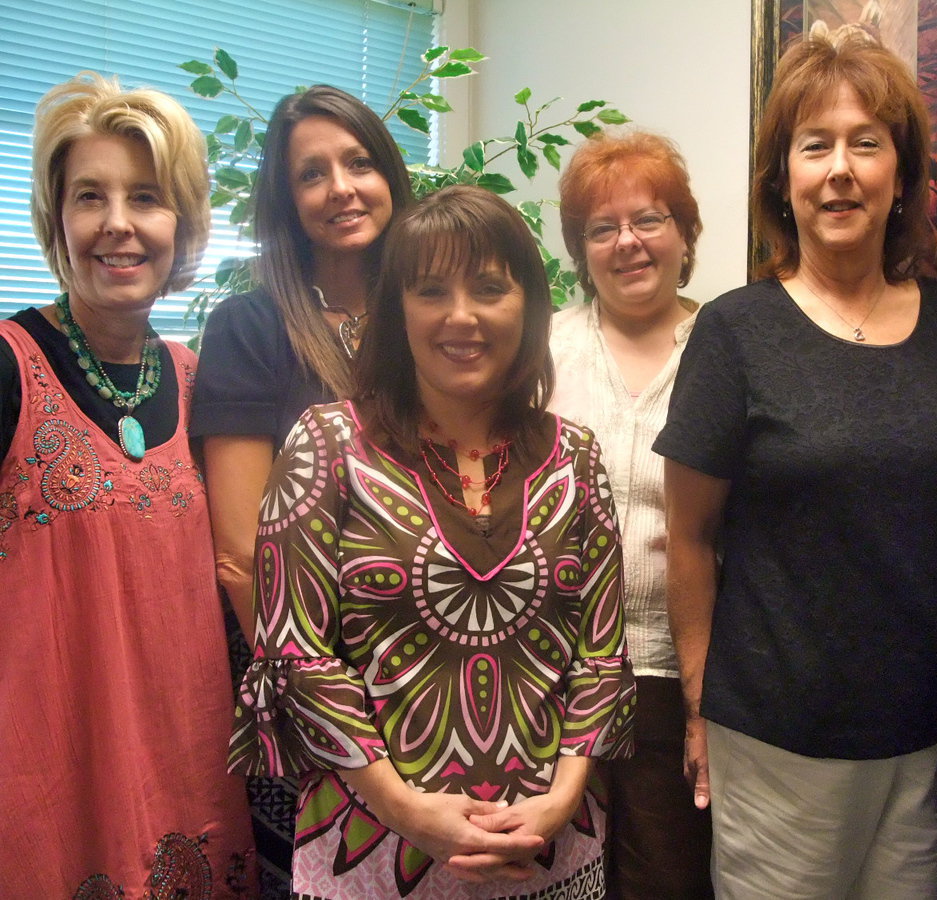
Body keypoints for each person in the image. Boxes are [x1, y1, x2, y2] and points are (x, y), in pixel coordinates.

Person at [228, 184, 636, 899]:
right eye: (430, 291)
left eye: (488, 288)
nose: (462, 317)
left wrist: (562, 797)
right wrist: (408, 810)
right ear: (397, 311)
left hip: (550, 848)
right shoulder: (326, 446)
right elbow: (296, 655)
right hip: (371, 853)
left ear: (529, 306)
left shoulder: (576, 455)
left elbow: (601, 651)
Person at [654, 28, 937, 900]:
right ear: (783, 180)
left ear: (903, 176)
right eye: (816, 146)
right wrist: (697, 708)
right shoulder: (734, 333)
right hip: (776, 737)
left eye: (867, 143)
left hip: (931, 735)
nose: (840, 169)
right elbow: (687, 536)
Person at [0, 73, 254, 896]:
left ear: (180, 223)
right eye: (88, 196)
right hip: (49, 793)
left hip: (193, 779)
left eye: (145, 196)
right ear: (56, 219)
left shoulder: (201, 381)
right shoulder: (9, 368)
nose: (118, 224)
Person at [191, 84, 413, 895]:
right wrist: (327, 707)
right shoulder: (250, 328)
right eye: (312, 174)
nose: (341, 188)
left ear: (390, 173)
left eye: (358, 162)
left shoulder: (433, 315)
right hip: (311, 689)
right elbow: (241, 554)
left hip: (432, 677)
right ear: (287, 201)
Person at [550, 130, 712, 900]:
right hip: (547, 681)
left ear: (685, 232)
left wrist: (702, 698)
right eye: (601, 228)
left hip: (672, 682)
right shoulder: (540, 349)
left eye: (649, 219)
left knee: (663, 883)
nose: (627, 243)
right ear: (580, 249)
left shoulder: (726, 346)